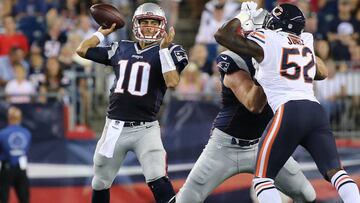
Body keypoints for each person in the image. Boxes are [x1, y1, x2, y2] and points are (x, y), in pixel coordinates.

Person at [214, 2, 360, 203]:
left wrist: (243, 17)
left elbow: (222, 36)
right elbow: (322, 72)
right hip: (315, 111)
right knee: (337, 173)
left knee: (263, 180)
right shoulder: (305, 41)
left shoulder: (267, 38)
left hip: (289, 111)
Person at [174, 7, 316, 203]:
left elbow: (322, 71)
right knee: (187, 199)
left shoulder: (278, 55)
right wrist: (266, 72)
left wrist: (300, 48)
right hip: (226, 146)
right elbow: (253, 104)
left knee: (307, 195)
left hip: (262, 143)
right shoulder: (231, 58)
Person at [76, 3, 188, 203]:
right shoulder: (121, 47)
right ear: (136, 24)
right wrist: (102, 33)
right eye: (144, 22)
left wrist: (163, 51)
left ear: (161, 26)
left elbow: (172, 82)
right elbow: (82, 50)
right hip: (114, 127)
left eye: (153, 23)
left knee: (158, 177)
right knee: (100, 182)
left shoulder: (171, 50)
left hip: (145, 128)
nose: (148, 27)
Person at [0, 107, 31, 203]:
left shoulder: (2, 134)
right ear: (20, 118)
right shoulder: (27, 133)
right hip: (21, 169)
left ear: (9, 118)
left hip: (6, 168)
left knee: (4, 197)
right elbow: (25, 149)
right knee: (24, 198)